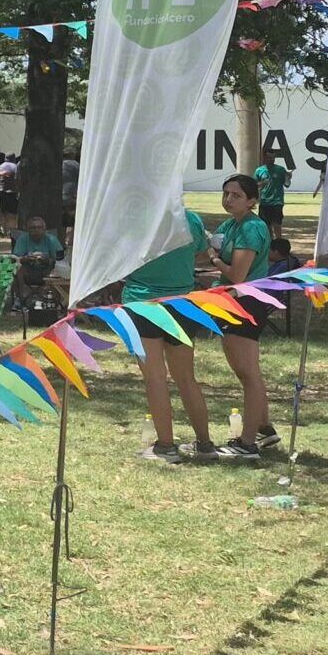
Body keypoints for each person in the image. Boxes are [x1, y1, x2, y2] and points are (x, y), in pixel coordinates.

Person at [129, 207, 215, 463]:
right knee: (186, 377)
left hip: (143, 302)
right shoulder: (191, 219)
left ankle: (166, 446)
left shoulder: (137, 217)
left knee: (155, 378)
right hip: (182, 304)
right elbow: (200, 253)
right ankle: (205, 443)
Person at [210, 175, 280, 460]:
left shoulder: (252, 228)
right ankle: (264, 428)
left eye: (236, 195)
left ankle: (247, 443)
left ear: (252, 200)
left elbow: (237, 275)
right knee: (248, 371)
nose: (228, 200)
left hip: (246, 304)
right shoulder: (230, 224)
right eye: (225, 194)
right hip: (232, 303)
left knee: (248, 374)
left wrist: (214, 261)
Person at [11, 215, 64, 284]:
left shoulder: (52, 239)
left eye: (39, 227)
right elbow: (15, 258)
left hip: (47, 270)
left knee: (60, 268)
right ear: (27, 229)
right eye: (33, 228)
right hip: (28, 270)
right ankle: (24, 291)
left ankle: (50, 290)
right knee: (17, 267)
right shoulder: (22, 239)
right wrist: (26, 258)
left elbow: (60, 260)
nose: (36, 230)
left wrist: (47, 260)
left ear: (44, 229)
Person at [252, 149, 292, 232]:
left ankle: (278, 242)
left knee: (277, 224)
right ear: (265, 158)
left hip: (277, 201)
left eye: (273, 158)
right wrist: (261, 184)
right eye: (269, 157)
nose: (271, 159)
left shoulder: (280, 169)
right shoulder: (259, 170)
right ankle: (270, 243)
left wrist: (288, 177)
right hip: (264, 202)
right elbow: (253, 185)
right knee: (266, 226)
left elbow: (287, 184)